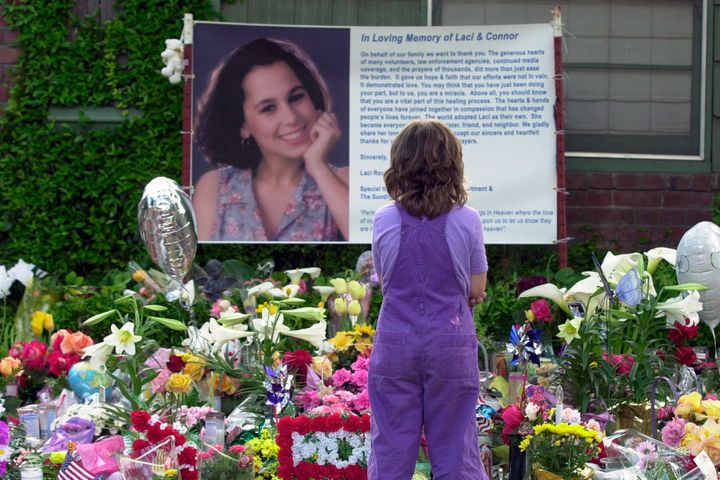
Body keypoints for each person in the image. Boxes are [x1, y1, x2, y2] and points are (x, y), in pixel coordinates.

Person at [369, 120, 489, 480]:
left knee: (390, 451)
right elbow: (475, 287)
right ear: (452, 164)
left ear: (399, 164)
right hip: (449, 345)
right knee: (456, 449)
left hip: (395, 344)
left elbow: (384, 278)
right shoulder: (467, 220)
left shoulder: (383, 219)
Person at [193, 38, 348, 242]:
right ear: (243, 126)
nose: (291, 118)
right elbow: (198, 264)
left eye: (296, 97)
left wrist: (317, 164)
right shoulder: (214, 187)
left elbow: (373, 248)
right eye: (268, 108)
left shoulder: (343, 181)